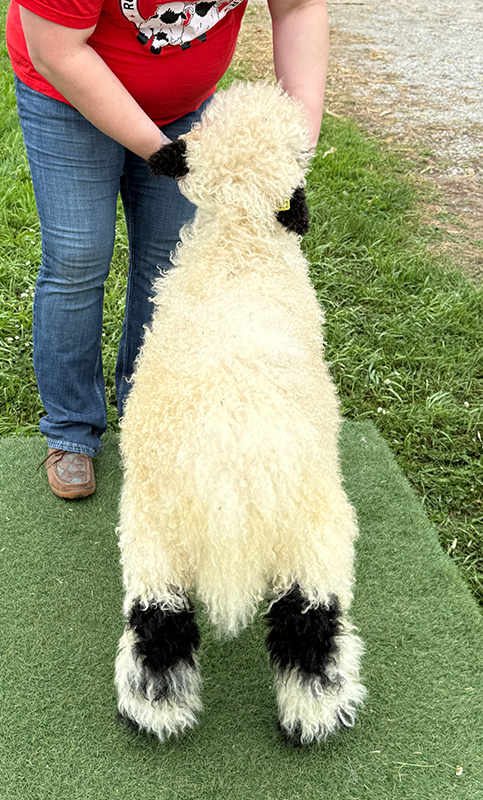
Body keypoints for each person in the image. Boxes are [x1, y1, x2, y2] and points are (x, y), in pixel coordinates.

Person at [6, 0, 329, 499]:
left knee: (168, 262)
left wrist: (292, 157)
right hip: (65, 94)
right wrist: (165, 155)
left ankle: (151, 419)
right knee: (77, 259)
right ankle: (71, 431)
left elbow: (298, 9)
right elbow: (58, 51)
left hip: (185, 107)